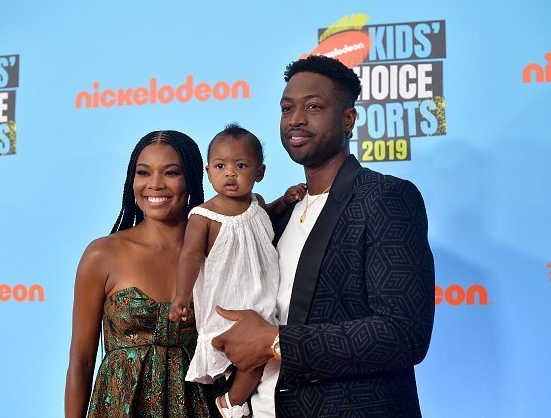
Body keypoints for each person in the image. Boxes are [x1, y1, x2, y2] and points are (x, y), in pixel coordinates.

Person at [211, 55, 435, 417]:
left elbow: (403, 333)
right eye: (287, 108)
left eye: (313, 106)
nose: (295, 119)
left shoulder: (386, 197)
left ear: (348, 119)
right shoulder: (279, 214)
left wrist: (275, 341)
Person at [64, 131, 219, 418]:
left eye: (171, 172)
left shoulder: (217, 252)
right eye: (143, 172)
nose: (155, 184)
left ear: (192, 180)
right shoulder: (102, 255)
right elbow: (81, 361)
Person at [169, 124, 306, 418]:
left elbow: (265, 215)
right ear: (208, 172)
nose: (230, 173)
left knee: (265, 355)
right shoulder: (203, 216)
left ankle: (235, 401)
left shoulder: (255, 203)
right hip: (227, 305)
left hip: (258, 299)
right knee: (254, 356)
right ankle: (231, 403)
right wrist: (181, 295)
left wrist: (284, 201)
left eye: (240, 165)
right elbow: (190, 256)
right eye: (221, 166)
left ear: (259, 173)